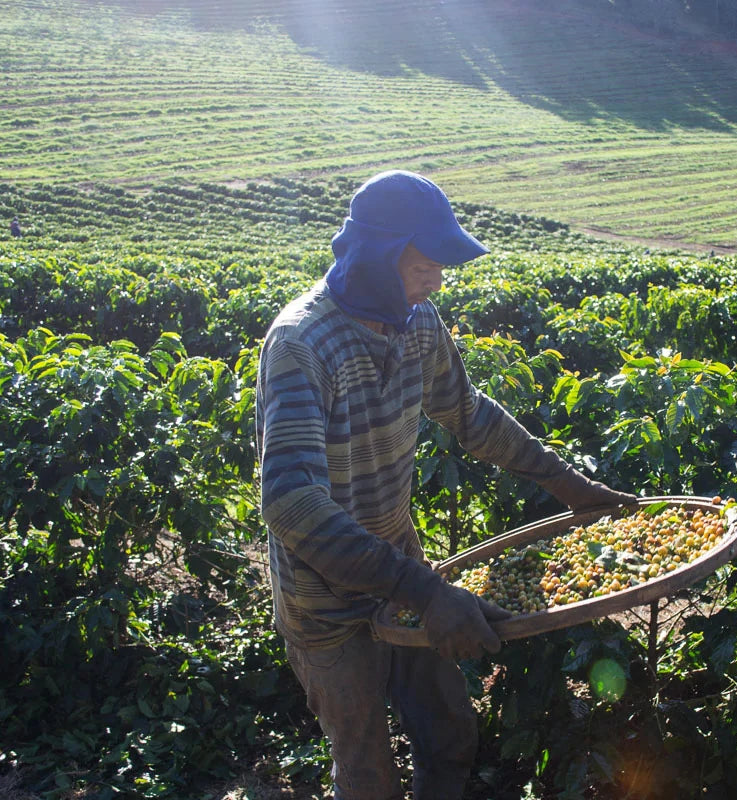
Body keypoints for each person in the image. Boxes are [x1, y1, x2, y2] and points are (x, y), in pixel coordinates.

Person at [254, 170, 636, 800]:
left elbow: (470, 415)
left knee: (449, 733)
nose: (437, 277)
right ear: (379, 256)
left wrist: (573, 488)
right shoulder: (302, 345)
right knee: (368, 770)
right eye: (425, 261)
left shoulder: (417, 320)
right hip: (323, 599)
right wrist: (426, 590)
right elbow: (290, 502)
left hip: (400, 569)